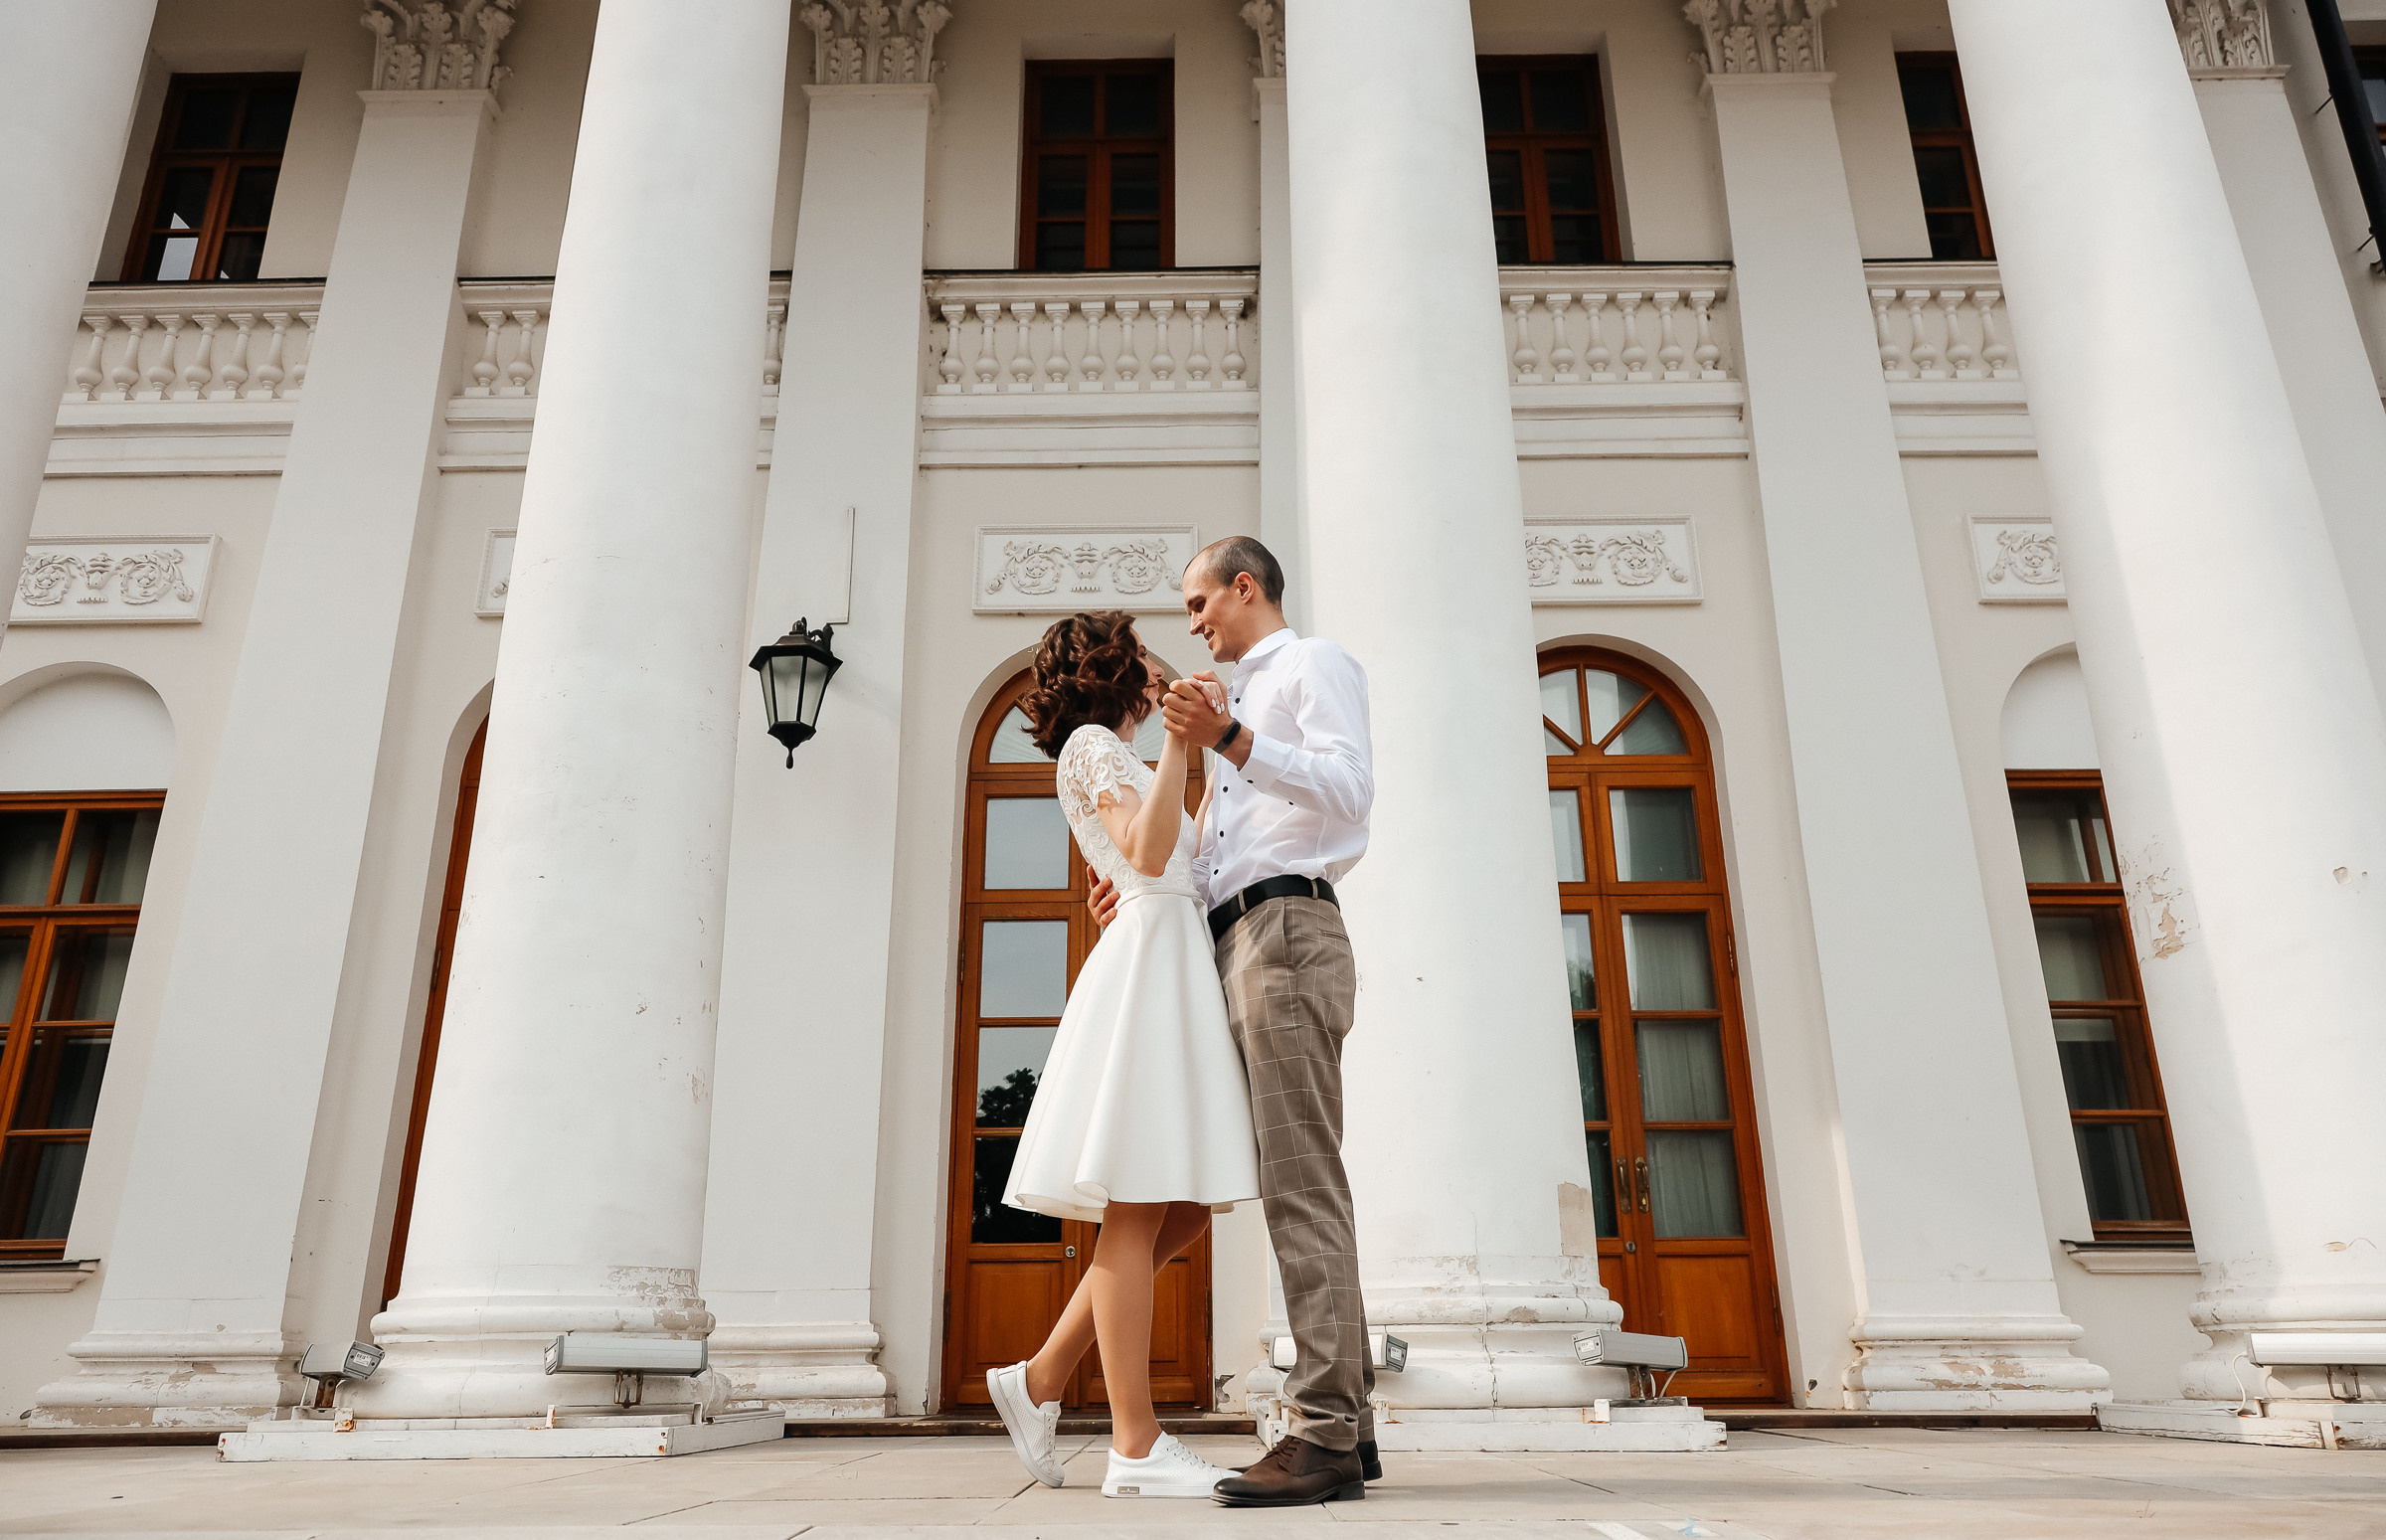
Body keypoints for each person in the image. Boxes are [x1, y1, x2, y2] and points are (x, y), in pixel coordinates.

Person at [1089, 534, 1379, 1507]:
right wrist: (1135, 891)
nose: (1194, 623)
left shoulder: (1309, 666)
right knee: (1295, 1181)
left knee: (1302, 1185)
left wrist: (1234, 739)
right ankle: (1352, 1429)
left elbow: (1350, 790)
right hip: (1237, 937)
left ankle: (1323, 1433)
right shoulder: (1231, 704)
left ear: (1244, 586)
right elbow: (1217, 852)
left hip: (1286, 929)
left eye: (1199, 602)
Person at [986, 610, 1262, 1499]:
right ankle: (1135, 1447)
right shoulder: (1092, 745)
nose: (1157, 667)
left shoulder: (1128, 754)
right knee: (1140, 1208)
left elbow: (1179, 851)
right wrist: (1180, 741)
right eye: (1141, 654)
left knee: (1183, 1208)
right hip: (1149, 961)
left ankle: (1038, 1380)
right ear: (1112, 668)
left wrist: (1200, 744)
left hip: (1173, 954)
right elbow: (1143, 851)